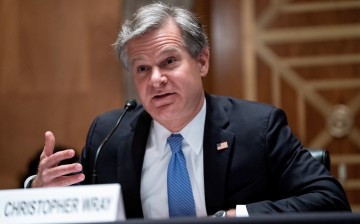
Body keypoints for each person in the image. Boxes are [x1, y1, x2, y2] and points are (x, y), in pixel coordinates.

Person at [26, 2, 351, 219]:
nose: (156, 79)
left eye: (169, 61)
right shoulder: (109, 135)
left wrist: (240, 216)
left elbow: (329, 199)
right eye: (142, 69)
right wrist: (38, 192)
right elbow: (79, 208)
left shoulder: (259, 127)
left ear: (202, 61)